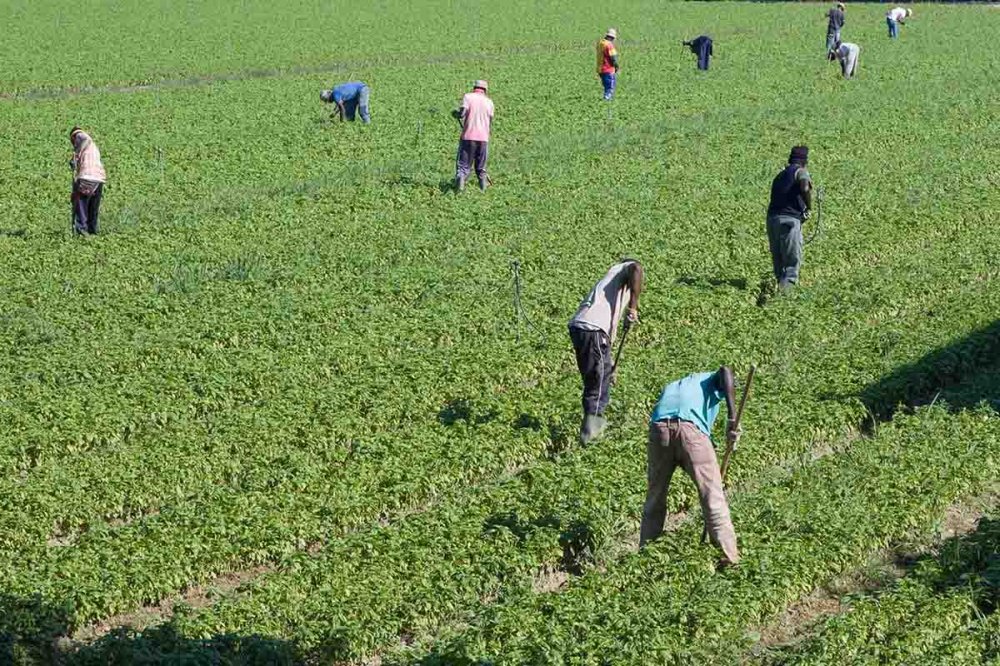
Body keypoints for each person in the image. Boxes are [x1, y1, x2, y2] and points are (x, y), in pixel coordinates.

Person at [640, 367, 741, 566]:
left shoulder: (677, 386)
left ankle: (646, 559)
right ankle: (728, 558)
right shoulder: (710, 379)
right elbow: (726, 371)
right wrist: (732, 417)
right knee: (712, 495)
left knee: (655, 497)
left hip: (659, 430)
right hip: (690, 430)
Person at [568, 259, 643, 444]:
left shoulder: (613, 282)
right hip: (591, 329)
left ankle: (592, 430)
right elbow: (637, 268)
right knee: (598, 382)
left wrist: (609, 366)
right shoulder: (629, 267)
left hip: (585, 329)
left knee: (601, 377)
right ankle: (591, 437)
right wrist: (633, 308)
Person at [766, 146, 813, 290]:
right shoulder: (801, 171)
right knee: (792, 264)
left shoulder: (780, 175)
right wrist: (808, 207)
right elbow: (805, 188)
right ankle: (785, 300)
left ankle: (778, 291)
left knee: (779, 263)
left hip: (772, 220)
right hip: (789, 221)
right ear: (804, 161)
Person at [452, 80, 494, 192]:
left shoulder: (468, 97)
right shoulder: (489, 102)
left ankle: (460, 186)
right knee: (481, 168)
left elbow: (462, 113)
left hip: (468, 136)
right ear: (485, 90)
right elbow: (490, 121)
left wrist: (455, 114)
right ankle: (483, 190)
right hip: (483, 138)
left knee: (463, 166)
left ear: (474, 87)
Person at [69, 127, 106, 236]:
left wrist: (75, 155)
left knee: (81, 204)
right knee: (92, 207)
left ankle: (81, 231)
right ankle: (92, 231)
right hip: (98, 179)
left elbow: (84, 139)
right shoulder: (93, 148)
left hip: (87, 177)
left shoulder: (80, 136)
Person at [596, 28, 619, 100]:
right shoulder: (609, 45)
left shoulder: (600, 43)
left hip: (600, 69)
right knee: (610, 87)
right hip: (608, 69)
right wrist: (616, 67)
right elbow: (613, 58)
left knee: (606, 86)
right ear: (612, 37)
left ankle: (606, 99)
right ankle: (606, 101)